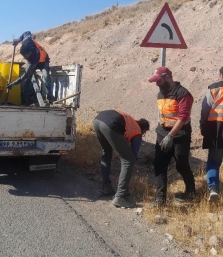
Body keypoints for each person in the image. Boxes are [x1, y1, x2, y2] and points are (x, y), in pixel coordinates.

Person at [148, 66, 196, 206]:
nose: (157, 84)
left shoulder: (183, 94)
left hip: (180, 135)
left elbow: (182, 117)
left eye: (159, 81)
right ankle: (160, 199)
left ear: (168, 77)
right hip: (162, 133)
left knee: (181, 165)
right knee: (159, 165)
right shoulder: (160, 94)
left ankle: (191, 192)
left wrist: (170, 136)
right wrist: (163, 133)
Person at [93, 110, 150, 208]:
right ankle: (120, 197)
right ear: (144, 129)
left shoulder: (130, 122)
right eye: (144, 132)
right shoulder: (137, 131)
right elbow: (133, 155)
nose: (143, 134)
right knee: (128, 161)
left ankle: (106, 187)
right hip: (110, 124)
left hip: (98, 120)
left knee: (106, 154)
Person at [7, 31, 53, 105]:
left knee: (46, 76)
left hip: (43, 61)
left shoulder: (32, 60)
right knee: (27, 80)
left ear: (30, 52)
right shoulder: (27, 41)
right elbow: (27, 32)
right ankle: (26, 100)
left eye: (26, 56)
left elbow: (24, 75)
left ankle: (49, 98)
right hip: (34, 60)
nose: (25, 58)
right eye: (23, 56)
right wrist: (17, 40)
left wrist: (13, 83)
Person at [200, 66, 223, 203]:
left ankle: (213, 188)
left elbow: (205, 109)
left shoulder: (213, 89)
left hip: (216, 129)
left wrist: (203, 126)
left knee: (214, 161)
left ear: (220, 74)